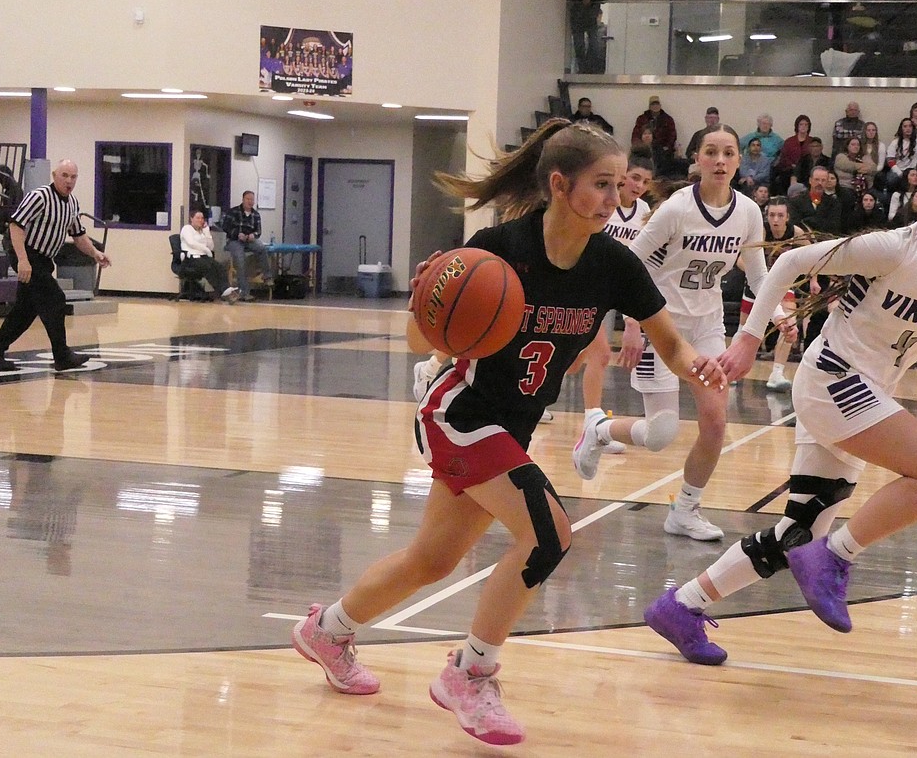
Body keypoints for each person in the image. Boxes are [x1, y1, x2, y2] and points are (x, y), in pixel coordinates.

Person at [291, 120, 726, 746]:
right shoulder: (498, 249)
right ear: (559, 184)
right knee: (549, 534)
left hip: (510, 427)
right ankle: (470, 673)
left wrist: (698, 367)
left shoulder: (613, 263)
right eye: (601, 185)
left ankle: (327, 631)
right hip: (460, 411)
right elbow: (421, 341)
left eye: (618, 186)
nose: (615, 198)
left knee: (431, 560)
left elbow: (672, 342)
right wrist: (424, 301)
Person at [642, 145, 917, 655]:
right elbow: (791, 264)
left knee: (799, 531)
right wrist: (751, 336)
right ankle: (838, 555)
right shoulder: (895, 247)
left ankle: (681, 606)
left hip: (867, 391)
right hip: (833, 379)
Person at [574, 124, 771, 542]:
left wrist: (779, 312)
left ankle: (685, 509)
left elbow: (759, 275)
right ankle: (599, 430)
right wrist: (631, 322)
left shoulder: (749, 213)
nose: (720, 161)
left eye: (728, 153)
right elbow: (629, 264)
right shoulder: (676, 209)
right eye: (711, 152)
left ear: (738, 161)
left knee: (715, 421)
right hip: (660, 323)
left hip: (707, 326)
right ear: (695, 159)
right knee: (661, 434)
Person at [0, 159, 111, 373]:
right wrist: (23, 260)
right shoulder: (39, 196)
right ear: (54, 175)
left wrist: (95, 253)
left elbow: (79, 236)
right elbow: (16, 226)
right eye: (65, 175)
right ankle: (62, 356)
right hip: (23, 250)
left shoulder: (72, 204)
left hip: (43, 259)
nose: (69, 181)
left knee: (24, 312)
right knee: (55, 299)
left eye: (73, 177)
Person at [575, 150, 656, 456]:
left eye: (645, 181)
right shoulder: (602, 204)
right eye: (635, 178)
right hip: (589, 283)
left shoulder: (646, 211)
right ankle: (591, 425)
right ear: (623, 178)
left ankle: (591, 426)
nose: (639, 185)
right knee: (587, 357)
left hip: (617, 288)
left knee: (596, 356)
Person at [742, 196, 808, 392]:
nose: (776, 220)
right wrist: (755, 275)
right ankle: (734, 367)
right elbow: (740, 259)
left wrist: (812, 280)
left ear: (788, 217)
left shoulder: (796, 233)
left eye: (780, 215)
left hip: (782, 284)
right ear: (766, 216)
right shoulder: (760, 231)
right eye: (772, 215)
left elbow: (813, 256)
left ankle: (777, 373)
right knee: (744, 328)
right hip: (756, 283)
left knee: (789, 323)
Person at [178, 209, 240, 302]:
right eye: (197, 218)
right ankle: (223, 292)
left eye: (202, 218)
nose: (200, 220)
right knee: (209, 268)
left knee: (220, 267)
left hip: (204, 257)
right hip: (191, 258)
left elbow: (211, 246)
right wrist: (206, 249)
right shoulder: (187, 229)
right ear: (191, 219)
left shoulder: (202, 231)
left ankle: (226, 290)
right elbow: (191, 243)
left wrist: (207, 232)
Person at [221, 190, 272, 301]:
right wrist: (237, 234)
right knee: (240, 259)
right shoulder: (233, 212)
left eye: (252, 199)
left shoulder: (256, 215)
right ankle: (244, 292)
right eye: (248, 199)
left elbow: (258, 231)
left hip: (249, 240)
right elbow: (225, 227)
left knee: (262, 248)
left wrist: (253, 235)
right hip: (234, 240)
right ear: (243, 199)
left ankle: (267, 276)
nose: (250, 201)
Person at [566, 0, 609, 74]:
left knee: (594, 45)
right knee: (579, 46)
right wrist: (581, 0)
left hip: (591, 19)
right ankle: (582, 69)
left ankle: (592, 69)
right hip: (578, 18)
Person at [790, 167, 842, 235]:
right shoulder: (796, 201)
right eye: (817, 179)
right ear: (810, 180)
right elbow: (795, 225)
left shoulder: (833, 203)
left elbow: (833, 227)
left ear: (826, 182)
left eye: (823, 180)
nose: (820, 183)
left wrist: (809, 220)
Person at [631, 96, 678, 172]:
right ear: (649, 106)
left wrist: (666, 147)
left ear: (660, 105)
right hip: (643, 150)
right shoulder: (641, 119)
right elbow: (635, 135)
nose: (655, 106)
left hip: (663, 151)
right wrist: (639, 147)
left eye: (657, 104)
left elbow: (672, 136)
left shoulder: (668, 119)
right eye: (653, 104)